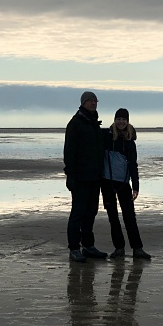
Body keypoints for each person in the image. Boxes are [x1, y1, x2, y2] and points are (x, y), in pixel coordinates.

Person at [64, 91, 108, 262]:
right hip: (80, 178)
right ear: (83, 103)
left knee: (91, 213)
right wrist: (70, 175)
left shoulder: (94, 123)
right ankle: (74, 248)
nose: (93, 103)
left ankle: (88, 246)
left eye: (95, 100)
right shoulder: (76, 123)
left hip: (95, 177)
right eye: (90, 100)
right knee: (78, 213)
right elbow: (69, 152)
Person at [101, 108, 151, 259]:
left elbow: (133, 166)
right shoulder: (106, 137)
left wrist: (136, 186)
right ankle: (119, 248)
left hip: (123, 184)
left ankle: (137, 248)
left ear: (127, 122)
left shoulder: (130, 143)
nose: (121, 122)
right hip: (107, 183)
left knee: (129, 216)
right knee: (113, 216)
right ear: (114, 120)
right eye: (118, 119)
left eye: (123, 119)